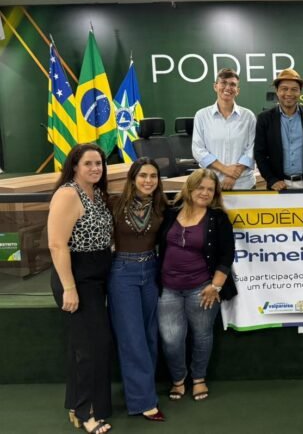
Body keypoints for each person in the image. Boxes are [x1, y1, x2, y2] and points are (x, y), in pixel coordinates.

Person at [47, 143, 114, 434]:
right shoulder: (67, 194)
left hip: (97, 278)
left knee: (87, 345)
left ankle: (77, 405)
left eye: (99, 163)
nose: (95, 168)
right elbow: (57, 244)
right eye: (88, 163)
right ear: (74, 166)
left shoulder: (96, 193)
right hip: (76, 278)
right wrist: (69, 288)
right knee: (90, 347)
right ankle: (86, 411)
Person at [157, 169, 237, 403]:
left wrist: (216, 287)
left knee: (202, 335)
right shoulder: (171, 213)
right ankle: (178, 378)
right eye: (200, 188)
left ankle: (199, 378)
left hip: (202, 289)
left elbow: (227, 254)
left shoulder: (218, 218)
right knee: (171, 339)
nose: (205, 193)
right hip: (168, 288)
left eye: (210, 189)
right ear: (190, 189)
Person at [108, 158, 168, 421]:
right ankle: (144, 401)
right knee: (132, 338)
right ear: (132, 178)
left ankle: (143, 389)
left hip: (151, 270)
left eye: (153, 176)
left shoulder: (162, 206)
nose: (148, 181)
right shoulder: (114, 204)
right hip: (123, 272)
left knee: (150, 335)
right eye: (143, 175)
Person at [254, 68, 303, 190]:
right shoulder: (264, 119)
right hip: (278, 186)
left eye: (294, 89)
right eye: (284, 89)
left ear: (300, 92)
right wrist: (271, 179)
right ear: (277, 91)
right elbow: (259, 153)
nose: (289, 93)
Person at [192, 68, 256, 190]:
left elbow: (252, 148)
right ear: (215, 86)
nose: (228, 87)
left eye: (232, 84)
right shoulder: (201, 116)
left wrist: (233, 175)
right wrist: (225, 169)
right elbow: (198, 149)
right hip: (211, 186)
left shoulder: (248, 116)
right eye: (223, 83)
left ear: (237, 90)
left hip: (244, 184)